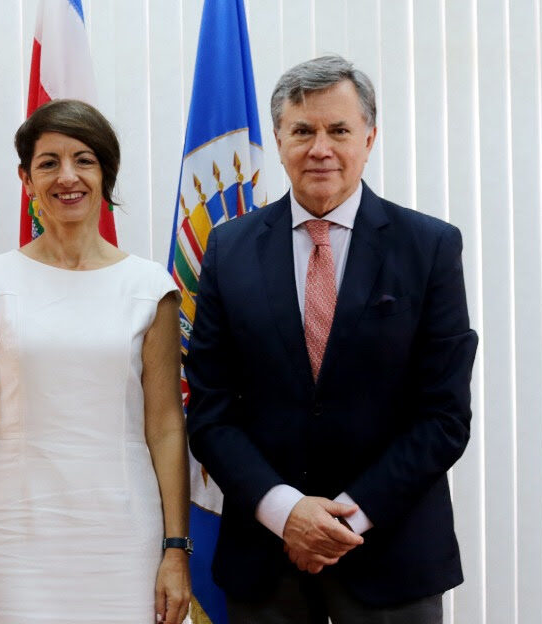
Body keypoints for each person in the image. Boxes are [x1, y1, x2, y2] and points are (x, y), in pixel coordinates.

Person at [185, 55, 478, 623]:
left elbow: (444, 415)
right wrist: (286, 511)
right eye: (303, 131)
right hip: (265, 564)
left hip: (392, 558)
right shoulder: (227, 251)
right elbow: (211, 414)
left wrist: (346, 518)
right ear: (278, 139)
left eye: (338, 130)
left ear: (369, 137)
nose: (320, 148)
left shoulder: (430, 248)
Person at [0, 98, 192, 624]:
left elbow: (167, 427)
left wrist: (175, 549)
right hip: (14, 538)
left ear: (105, 174)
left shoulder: (150, 289)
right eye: (48, 162)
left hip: (127, 539)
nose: (67, 176)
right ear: (26, 179)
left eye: (84, 159)